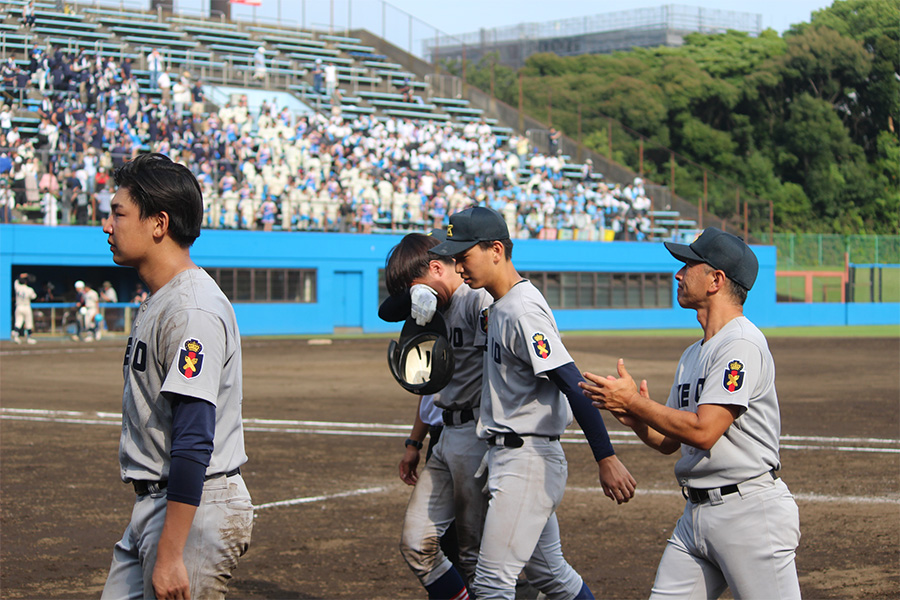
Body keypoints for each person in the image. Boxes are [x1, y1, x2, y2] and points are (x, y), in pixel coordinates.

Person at [580, 227, 801, 599]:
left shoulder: (741, 344)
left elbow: (704, 431)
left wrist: (636, 402)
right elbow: (671, 441)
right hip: (696, 516)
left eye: (688, 265)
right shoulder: (694, 354)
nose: (678, 274)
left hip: (749, 514)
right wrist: (638, 421)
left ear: (716, 279)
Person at [430, 206, 636, 599]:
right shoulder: (497, 306)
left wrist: (605, 457)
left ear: (495, 250)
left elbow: (572, 383)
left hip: (526, 460)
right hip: (513, 456)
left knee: (491, 583)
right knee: (550, 575)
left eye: (464, 256)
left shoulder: (522, 310)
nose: (458, 267)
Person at [100, 153, 252, 600]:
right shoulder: (163, 299)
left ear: (158, 223)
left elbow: (193, 437)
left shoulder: (192, 310)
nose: (107, 226)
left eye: (118, 213)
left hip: (195, 507)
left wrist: (170, 554)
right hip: (158, 503)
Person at [382, 232, 493, 599]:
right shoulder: (431, 311)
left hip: (482, 435)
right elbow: (429, 384)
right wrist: (415, 441)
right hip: (445, 435)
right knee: (422, 545)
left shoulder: (481, 302)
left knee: (490, 560)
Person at [12, 273, 38, 344]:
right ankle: (29, 338)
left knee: (18, 322)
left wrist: (22, 275)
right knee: (29, 323)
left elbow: (16, 281)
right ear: (26, 282)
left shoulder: (17, 287)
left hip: (19, 306)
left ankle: (16, 337)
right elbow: (34, 297)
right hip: (26, 307)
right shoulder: (29, 289)